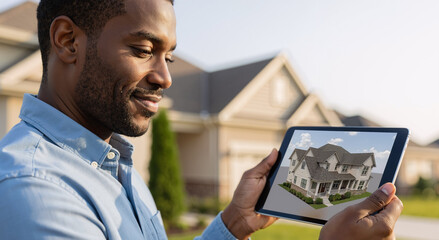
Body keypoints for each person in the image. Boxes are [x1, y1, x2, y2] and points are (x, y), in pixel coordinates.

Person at [0, 0, 403, 239]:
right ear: (68, 41)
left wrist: (231, 223)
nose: (165, 76)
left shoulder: (110, 162)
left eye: (169, 56)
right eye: (143, 49)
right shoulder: (35, 193)